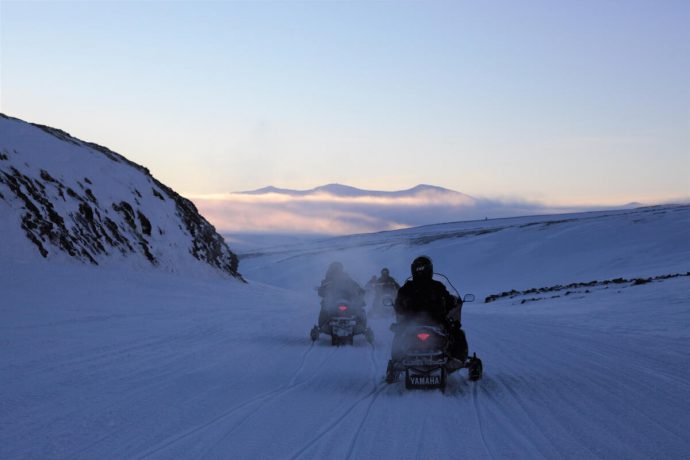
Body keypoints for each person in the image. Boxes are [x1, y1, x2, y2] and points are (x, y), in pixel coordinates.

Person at [390, 255, 481, 378]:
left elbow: (398, 307)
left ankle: (397, 361)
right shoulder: (438, 286)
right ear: (430, 269)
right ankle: (457, 359)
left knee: (399, 333)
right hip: (437, 322)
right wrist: (454, 302)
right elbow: (450, 302)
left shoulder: (405, 288)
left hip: (412, 324)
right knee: (457, 332)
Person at [317, 261, 366, 332]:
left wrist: (360, 290)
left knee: (359, 306)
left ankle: (362, 325)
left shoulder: (346, 277)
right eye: (335, 268)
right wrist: (322, 291)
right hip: (333, 300)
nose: (337, 270)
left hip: (347, 299)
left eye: (338, 268)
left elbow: (355, 285)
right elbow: (322, 290)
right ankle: (322, 325)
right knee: (325, 306)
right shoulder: (328, 279)